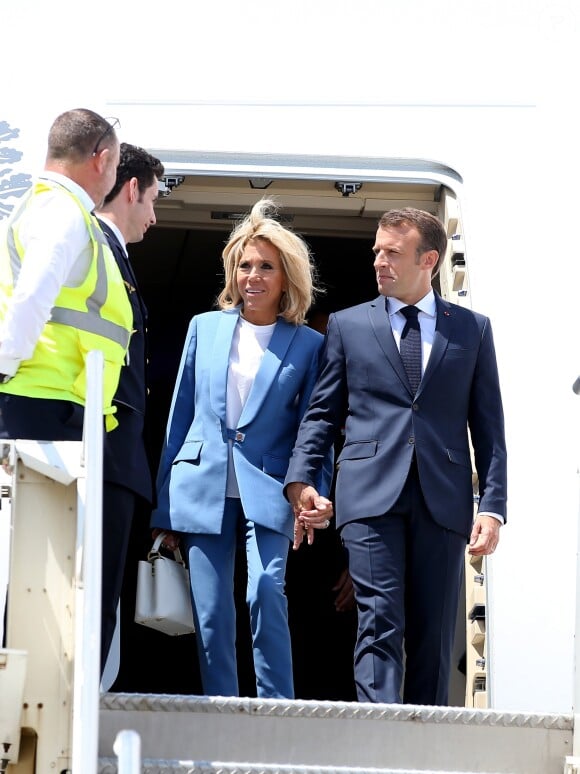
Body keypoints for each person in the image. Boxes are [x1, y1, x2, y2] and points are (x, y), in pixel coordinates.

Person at [284, 207, 507, 706]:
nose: (379, 262)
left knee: (433, 631)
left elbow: (488, 426)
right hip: (367, 496)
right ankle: (377, 739)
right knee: (380, 620)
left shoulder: (472, 330)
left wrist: (491, 507)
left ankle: (425, 747)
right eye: (376, 252)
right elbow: (321, 414)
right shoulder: (347, 325)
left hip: (443, 500)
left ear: (429, 259)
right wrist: (302, 483)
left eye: (392, 253)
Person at [151, 198, 333, 699]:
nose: (253, 276)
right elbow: (179, 418)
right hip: (200, 482)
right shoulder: (202, 328)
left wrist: (314, 491)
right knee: (210, 612)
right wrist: (164, 506)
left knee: (265, 591)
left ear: (285, 277)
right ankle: (220, 714)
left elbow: (314, 429)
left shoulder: (309, 344)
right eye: (245, 265)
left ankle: (278, 711)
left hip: (272, 487)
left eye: (266, 267)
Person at [0, 108, 132, 439]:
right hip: (43, 402)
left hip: (52, 400)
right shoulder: (62, 210)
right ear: (101, 160)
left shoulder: (52, 207)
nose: (113, 176)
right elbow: (33, 292)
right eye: (115, 167)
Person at [95, 143, 164, 676]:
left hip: (115, 457)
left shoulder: (111, 253)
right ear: (132, 188)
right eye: (153, 200)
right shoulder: (95, 246)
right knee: (91, 601)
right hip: (101, 451)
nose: (154, 217)